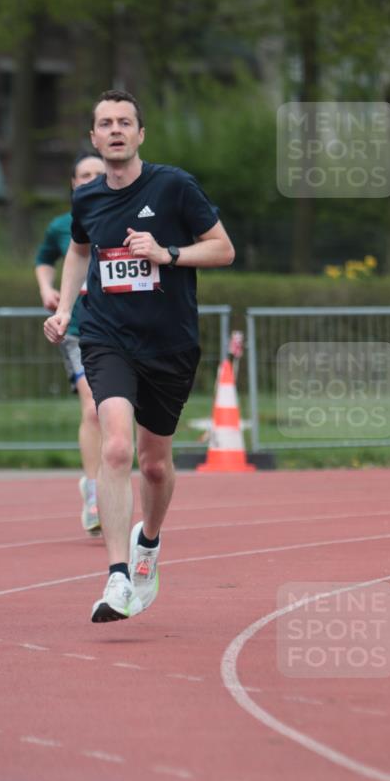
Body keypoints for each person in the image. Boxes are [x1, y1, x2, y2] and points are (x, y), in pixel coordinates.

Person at [44, 91, 235, 622]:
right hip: (107, 337)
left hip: (169, 344)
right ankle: (118, 578)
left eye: (124, 122)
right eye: (104, 123)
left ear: (140, 134)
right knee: (116, 448)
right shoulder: (87, 199)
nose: (115, 130)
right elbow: (80, 251)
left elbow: (223, 248)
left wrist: (166, 254)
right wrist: (64, 310)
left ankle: (148, 543)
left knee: (154, 464)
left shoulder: (174, 186)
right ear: (94, 137)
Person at [35, 151, 106, 534]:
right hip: (79, 328)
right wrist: (48, 289)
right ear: (74, 184)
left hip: (122, 327)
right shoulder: (62, 225)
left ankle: (108, 479)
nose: (92, 179)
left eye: (98, 173)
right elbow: (44, 258)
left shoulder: (126, 215)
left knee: (119, 412)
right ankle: (95, 493)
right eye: (84, 174)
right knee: (94, 408)